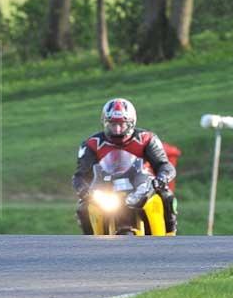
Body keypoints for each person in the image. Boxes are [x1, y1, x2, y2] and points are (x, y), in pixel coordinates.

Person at [72, 98, 178, 235]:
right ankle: (89, 241)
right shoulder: (92, 144)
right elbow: (81, 174)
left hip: (141, 184)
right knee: (83, 207)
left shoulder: (147, 139)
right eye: (112, 124)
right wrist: (82, 189)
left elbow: (164, 165)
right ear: (105, 122)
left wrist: (162, 178)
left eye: (122, 124)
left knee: (166, 195)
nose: (117, 129)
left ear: (131, 123)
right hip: (107, 186)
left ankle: (171, 234)